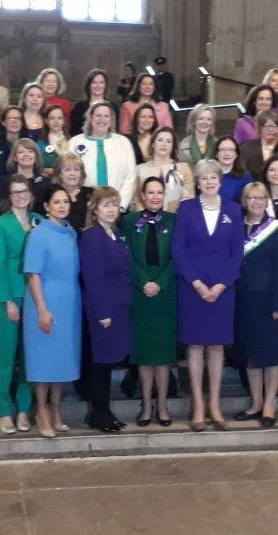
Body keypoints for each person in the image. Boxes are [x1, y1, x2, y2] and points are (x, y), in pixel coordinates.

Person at [171, 159, 245, 431]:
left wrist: (221, 285)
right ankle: (198, 406)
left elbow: (237, 252)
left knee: (216, 347)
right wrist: (198, 284)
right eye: (204, 178)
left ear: (220, 180)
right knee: (195, 346)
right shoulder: (186, 209)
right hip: (194, 289)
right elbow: (178, 250)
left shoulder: (234, 210)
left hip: (223, 289)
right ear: (198, 182)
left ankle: (215, 404)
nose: (209, 181)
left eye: (213, 177)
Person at [23, 186, 83, 438]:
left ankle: (57, 408)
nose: (61, 206)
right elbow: (33, 273)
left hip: (69, 302)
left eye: (65, 201)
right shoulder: (39, 233)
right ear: (46, 206)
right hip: (44, 300)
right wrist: (42, 309)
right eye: (56, 202)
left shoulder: (70, 233)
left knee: (62, 360)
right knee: (43, 360)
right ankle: (41, 411)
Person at [233, 182, 278, 428]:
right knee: (251, 354)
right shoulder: (235, 226)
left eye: (260, 197)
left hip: (269, 298)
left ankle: (269, 403)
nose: (256, 202)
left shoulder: (277, 230)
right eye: (251, 197)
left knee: (271, 354)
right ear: (244, 200)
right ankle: (256, 402)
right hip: (242, 298)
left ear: (267, 200)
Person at [121, 177, 178, 427]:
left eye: (159, 192)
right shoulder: (130, 221)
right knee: (144, 354)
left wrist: (160, 282)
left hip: (165, 295)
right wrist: (143, 281)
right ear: (142, 196)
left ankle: (163, 405)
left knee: (163, 355)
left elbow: (178, 256)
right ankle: (146, 404)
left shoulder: (174, 221)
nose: (155, 197)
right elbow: (126, 256)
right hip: (140, 293)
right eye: (150, 192)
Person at [79, 187, 133, 432]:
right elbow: (93, 278)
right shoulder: (92, 236)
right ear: (95, 208)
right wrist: (102, 312)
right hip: (103, 310)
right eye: (106, 205)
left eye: (114, 205)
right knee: (100, 363)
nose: (111, 210)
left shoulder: (116, 234)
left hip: (119, 307)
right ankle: (99, 413)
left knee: (109, 362)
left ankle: (103, 411)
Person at [0, 176, 40, 434]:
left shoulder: (39, 221)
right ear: (9, 197)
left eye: (24, 191)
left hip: (35, 297)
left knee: (29, 357)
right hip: (9, 297)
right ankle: (3, 410)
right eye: (15, 192)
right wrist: (8, 300)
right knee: (7, 356)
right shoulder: (0, 224)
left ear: (30, 194)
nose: (20, 195)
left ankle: (23, 408)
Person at [67, 101, 137, 201]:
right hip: (83, 203)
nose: (102, 119)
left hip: (115, 206)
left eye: (106, 116)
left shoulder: (123, 143)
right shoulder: (75, 142)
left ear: (111, 120)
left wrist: (121, 204)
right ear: (90, 118)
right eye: (98, 115)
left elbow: (130, 177)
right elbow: (68, 173)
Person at [130, 126, 195, 213]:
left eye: (168, 141)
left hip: (176, 220)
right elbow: (136, 200)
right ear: (153, 144)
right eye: (160, 140)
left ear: (173, 146)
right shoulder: (139, 170)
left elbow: (189, 199)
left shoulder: (183, 168)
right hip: (145, 220)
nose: (164, 144)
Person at [0, 138, 50, 217]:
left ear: (36, 156)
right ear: (15, 157)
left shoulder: (46, 182)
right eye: (21, 152)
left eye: (30, 151)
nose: (26, 155)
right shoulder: (4, 182)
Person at [239, 109, 278, 179]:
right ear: (259, 128)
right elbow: (241, 172)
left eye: (274, 126)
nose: (271, 130)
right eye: (267, 126)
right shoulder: (246, 148)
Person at [71, 68, 118, 136]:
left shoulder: (113, 107)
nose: (98, 86)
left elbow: (115, 130)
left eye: (101, 82)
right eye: (94, 82)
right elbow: (74, 131)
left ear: (105, 85)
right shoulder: (79, 107)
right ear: (88, 85)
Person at [56, 152, 93, 229]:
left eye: (76, 169)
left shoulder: (90, 193)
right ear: (60, 173)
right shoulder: (53, 194)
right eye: (67, 170)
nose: (72, 173)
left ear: (81, 173)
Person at [213, 136, 253, 204]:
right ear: (216, 154)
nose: (227, 154)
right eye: (223, 150)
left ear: (236, 154)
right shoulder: (208, 176)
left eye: (231, 150)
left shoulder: (245, 177)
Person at [40, 103, 70, 172]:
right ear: (46, 121)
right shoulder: (40, 145)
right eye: (52, 118)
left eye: (59, 118)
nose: (56, 121)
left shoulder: (73, 141)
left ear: (64, 121)